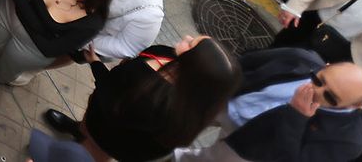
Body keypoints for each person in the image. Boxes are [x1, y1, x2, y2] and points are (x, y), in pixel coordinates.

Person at [161, 47, 362, 162]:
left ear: (356, 106)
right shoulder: (299, 59)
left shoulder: (348, 141)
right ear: (326, 66)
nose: (315, 91)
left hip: (250, 147)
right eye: (319, 80)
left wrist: (298, 116)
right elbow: (245, 62)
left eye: (330, 97)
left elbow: (293, 158)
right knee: (176, 121)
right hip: (226, 103)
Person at [63, 34, 242, 162]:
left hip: (105, 137)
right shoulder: (172, 59)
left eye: (191, 45)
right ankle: (78, 131)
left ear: (195, 67)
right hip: (104, 117)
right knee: (83, 134)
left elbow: (109, 91)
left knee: (83, 153)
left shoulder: (159, 102)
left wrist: (96, 64)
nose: (187, 37)